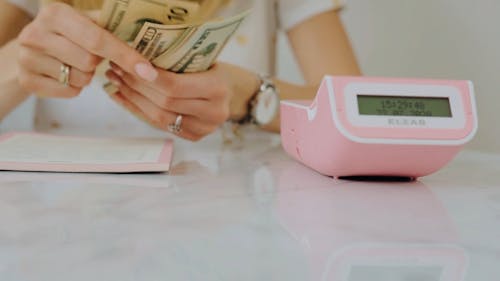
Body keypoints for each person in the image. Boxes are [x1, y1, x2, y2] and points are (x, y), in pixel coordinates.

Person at [0, 0, 360, 141]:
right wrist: (21, 62)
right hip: (68, 230)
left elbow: (356, 114)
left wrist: (251, 97)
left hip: (229, 222)